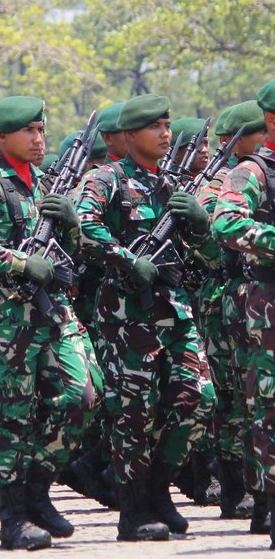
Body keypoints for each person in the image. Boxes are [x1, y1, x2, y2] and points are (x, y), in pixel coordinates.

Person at [0, 95, 98, 551]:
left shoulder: (44, 182)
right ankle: (13, 515)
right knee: (11, 418)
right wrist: (19, 263)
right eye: (29, 131)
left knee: (84, 396)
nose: (39, 138)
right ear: (3, 137)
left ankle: (37, 488)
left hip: (51, 312)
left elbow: (74, 250)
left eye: (41, 129)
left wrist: (71, 223)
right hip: (6, 319)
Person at [75, 94, 217, 541]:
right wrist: (125, 258)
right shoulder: (106, 179)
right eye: (154, 127)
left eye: (167, 125)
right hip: (127, 315)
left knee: (200, 398)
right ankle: (134, 507)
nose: (164, 134)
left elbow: (210, 254)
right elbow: (83, 225)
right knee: (134, 413)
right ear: (130, 136)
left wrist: (198, 223)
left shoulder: (171, 184)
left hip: (174, 310)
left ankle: (159, 486)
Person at [213, 79, 275, 549]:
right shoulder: (253, 172)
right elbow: (227, 222)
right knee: (268, 406)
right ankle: (268, 500)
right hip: (266, 304)